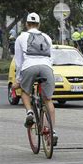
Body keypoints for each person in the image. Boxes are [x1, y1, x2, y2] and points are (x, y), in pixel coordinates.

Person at [11, 12, 58, 145]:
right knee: (48, 100)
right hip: (46, 68)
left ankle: (30, 112)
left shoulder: (21, 37)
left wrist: (19, 80)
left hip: (29, 67)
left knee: (25, 92)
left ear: (26, 24)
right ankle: (52, 131)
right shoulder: (47, 37)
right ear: (39, 24)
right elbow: (51, 57)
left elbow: (19, 61)